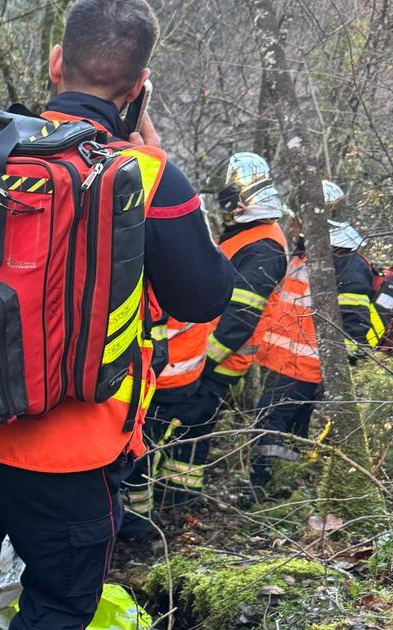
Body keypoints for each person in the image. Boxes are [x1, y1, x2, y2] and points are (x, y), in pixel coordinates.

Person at [0, 1, 234, 627]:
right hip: (71, 456)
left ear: (55, 63)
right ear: (138, 90)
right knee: (56, 610)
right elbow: (206, 297)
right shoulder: (145, 175)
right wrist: (159, 166)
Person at [120, 152, 289, 522]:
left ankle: (164, 514)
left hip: (215, 366)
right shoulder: (248, 237)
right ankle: (175, 506)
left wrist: (204, 364)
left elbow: (239, 317)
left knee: (176, 438)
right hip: (201, 361)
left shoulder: (264, 246)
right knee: (186, 442)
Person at [248, 183, 386, 488]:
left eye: (299, 219)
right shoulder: (311, 255)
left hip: (305, 369)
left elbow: (354, 326)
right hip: (287, 365)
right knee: (291, 429)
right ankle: (283, 486)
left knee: (268, 425)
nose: (294, 225)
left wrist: (335, 374)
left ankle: (262, 488)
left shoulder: (347, 264)